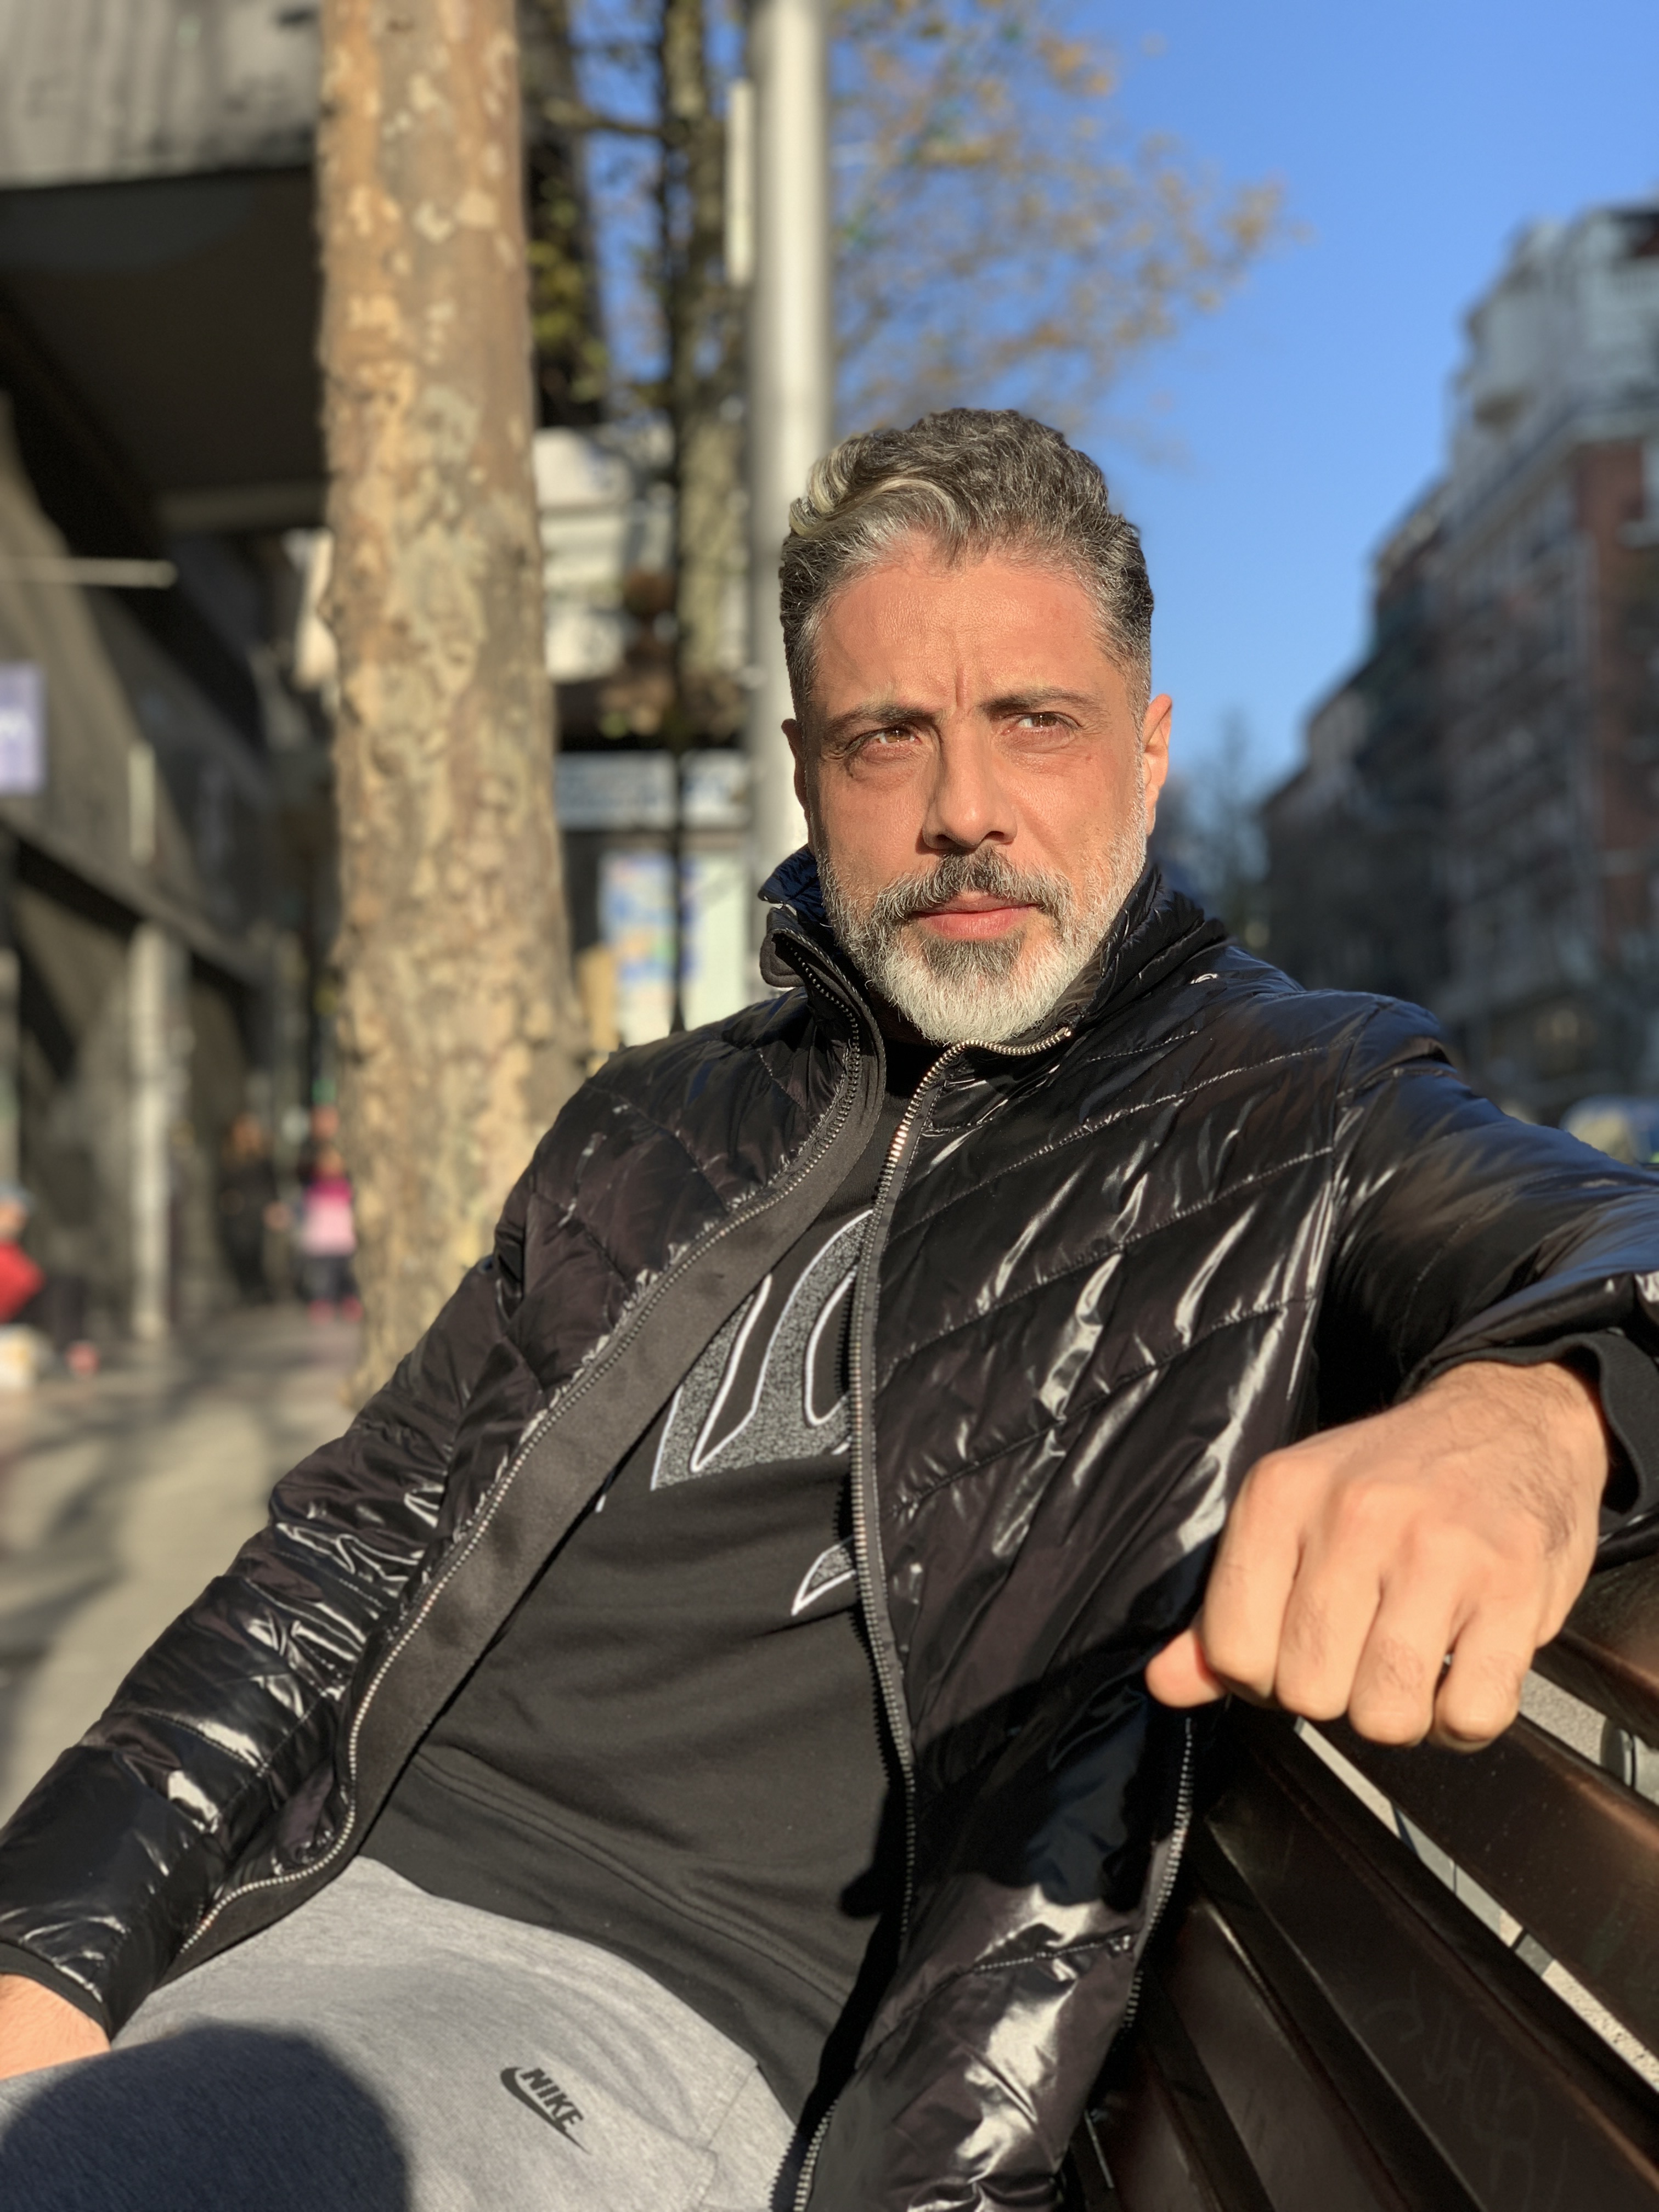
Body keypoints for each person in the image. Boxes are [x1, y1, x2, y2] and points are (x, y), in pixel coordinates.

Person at [0, 410, 1656, 2212]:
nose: (965, 809)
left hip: (637, 2029)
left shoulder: (1291, 1106)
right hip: (307, 1904)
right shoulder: (661, 1119)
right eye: (889, 737)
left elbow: (1607, 1240)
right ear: (808, 771)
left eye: (1036, 721)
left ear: (1148, 747)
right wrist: (46, 1943)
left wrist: (1535, 1415)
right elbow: (338, 1550)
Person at [0, 1182, 97, 1377]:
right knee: (61, 1288)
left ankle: (73, 1346)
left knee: (70, 1283)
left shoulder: (10, 1246)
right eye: (14, 1215)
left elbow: (30, 1278)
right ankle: (71, 1348)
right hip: (10, 1310)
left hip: (17, 1307)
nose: (20, 1223)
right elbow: (25, 1282)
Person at [216, 1113, 284, 1305]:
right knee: (240, 1253)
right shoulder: (230, 1159)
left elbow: (272, 1184)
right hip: (237, 1216)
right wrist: (227, 1201)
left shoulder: (262, 1158)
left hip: (259, 1212)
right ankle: (247, 1292)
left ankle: (262, 1291)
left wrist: (275, 1207)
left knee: (260, 1253)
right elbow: (222, 1188)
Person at [296, 1143, 360, 1322]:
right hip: (322, 1242)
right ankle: (322, 1301)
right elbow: (301, 1209)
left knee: (348, 1275)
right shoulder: (313, 1188)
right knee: (323, 1276)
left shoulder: (349, 1188)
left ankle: (350, 1299)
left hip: (345, 1240)